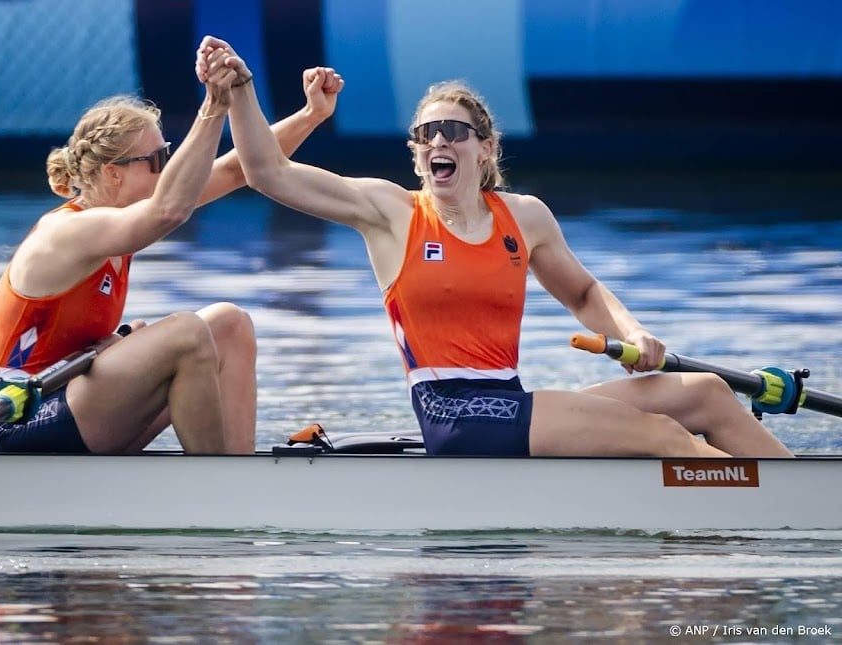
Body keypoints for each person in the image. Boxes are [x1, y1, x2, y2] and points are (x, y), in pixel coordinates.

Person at [196, 35, 794, 458]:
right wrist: (243, 92)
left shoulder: (525, 217)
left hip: (507, 401)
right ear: (417, 152)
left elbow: (583, 291)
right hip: (453, 415)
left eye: (453, 131)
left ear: (484, 149)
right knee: (664, 437)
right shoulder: (390, 212)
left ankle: (803, 500)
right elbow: (267, 173)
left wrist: (633, 333)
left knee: (709, 395)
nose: (437, 140)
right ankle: (746, 522)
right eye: (425, 133)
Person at [0, 43, 343, 455]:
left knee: (229, 323)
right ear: (113, 174)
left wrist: (311, 115)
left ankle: (238, 466)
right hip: (16, 420)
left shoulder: (124, 216)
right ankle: (215, 486)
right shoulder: (68, 232)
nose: (169, 169)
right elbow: (169, 211)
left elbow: (239, 168)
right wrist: (212, 109)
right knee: (186, 332)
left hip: (71, 400)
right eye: (158, 159)